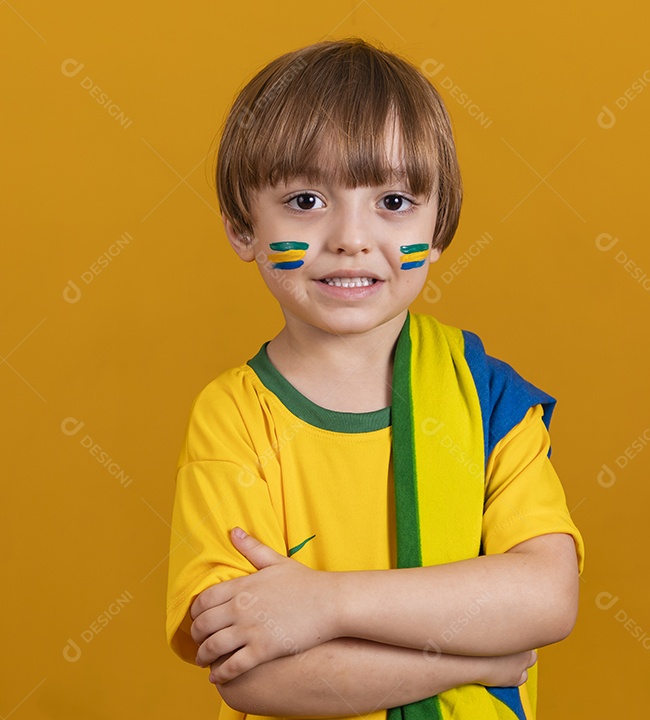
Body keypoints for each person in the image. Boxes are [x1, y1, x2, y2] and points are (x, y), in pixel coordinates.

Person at [166, 37, 584, 720]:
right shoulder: (232, 420)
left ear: (439, 226)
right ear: (244, 227)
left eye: (393, 201)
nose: (351, 238)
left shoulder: (489, 397)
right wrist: (480, 661)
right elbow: (252, 679)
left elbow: (546, 596)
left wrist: (324, 605)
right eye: (305, 200)